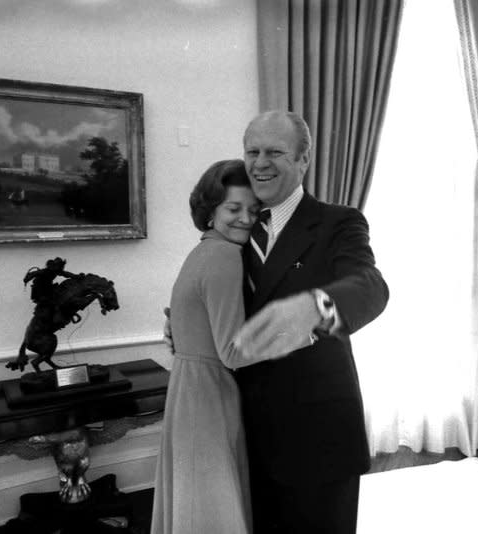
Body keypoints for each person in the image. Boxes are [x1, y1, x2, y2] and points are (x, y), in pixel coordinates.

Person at [230, 110, 389, 533]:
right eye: (252, 151)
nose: (260, 163)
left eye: (275, 152)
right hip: (246, 434)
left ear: (303, 160)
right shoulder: (233, 228)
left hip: (318, 439)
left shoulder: (339, 222)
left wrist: (316, 308)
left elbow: (370, 286)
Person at [150, 159, 312, 534]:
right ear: (210, 212)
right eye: (233, 208)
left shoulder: (202, 251)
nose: (244, 218)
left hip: (188, 389)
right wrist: (302, 331)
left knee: (194, 505)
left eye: (253, 210)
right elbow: (232, 352)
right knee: (212, 509)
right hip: (209, 396)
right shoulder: (224, 256)